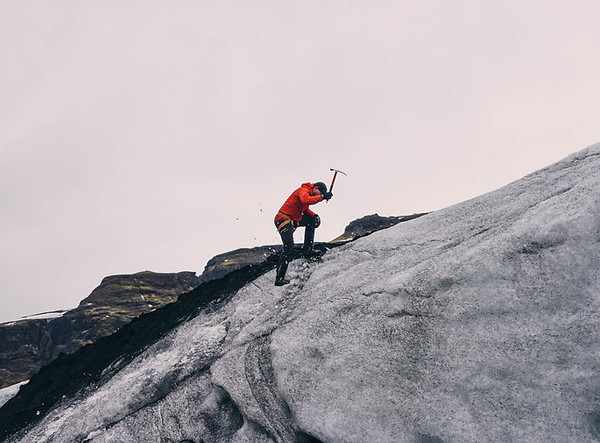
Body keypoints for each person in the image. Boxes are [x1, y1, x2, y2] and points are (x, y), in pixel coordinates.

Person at [274, 181, 333, 286]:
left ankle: (308, 250)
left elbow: (305, 209)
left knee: (312, 221)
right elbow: (305, 200)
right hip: (283, 220)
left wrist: (315, 216)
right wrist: (323, 197)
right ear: (316, 188)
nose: (319, 196)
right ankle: (279, 278)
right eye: (319, 193)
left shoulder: (309, 193)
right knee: (289, 247)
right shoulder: (303, 191)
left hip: (292, 220)